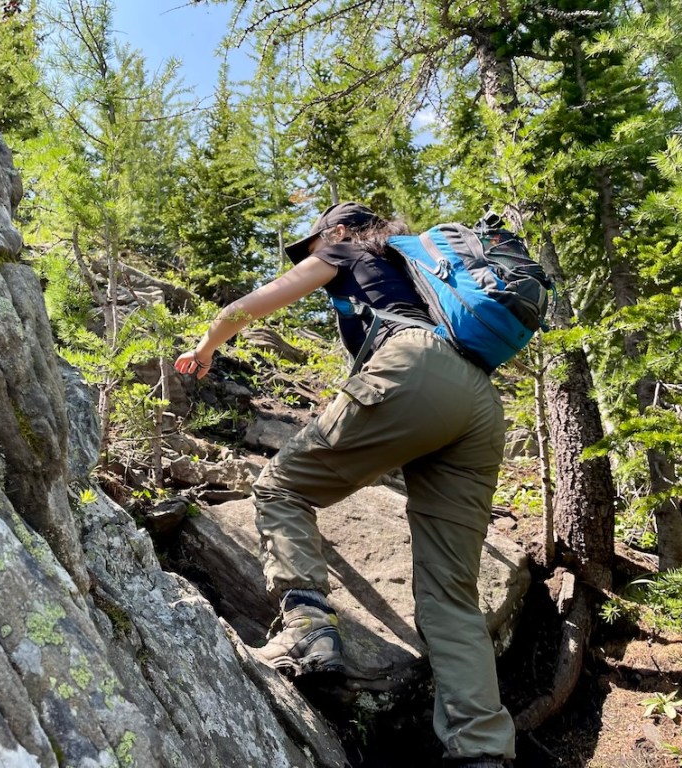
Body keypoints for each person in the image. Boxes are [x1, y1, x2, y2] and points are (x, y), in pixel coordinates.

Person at [174, 202, 515, 768]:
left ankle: (308, 627)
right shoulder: (414, 268)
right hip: (480, 402)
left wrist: (206, 346)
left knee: (281, 486)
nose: (309, 254)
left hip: (415, 368)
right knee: (450, 593)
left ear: (335, 231)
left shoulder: (343, 249)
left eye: (311, 244)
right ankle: (481, 752)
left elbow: (248, 305)